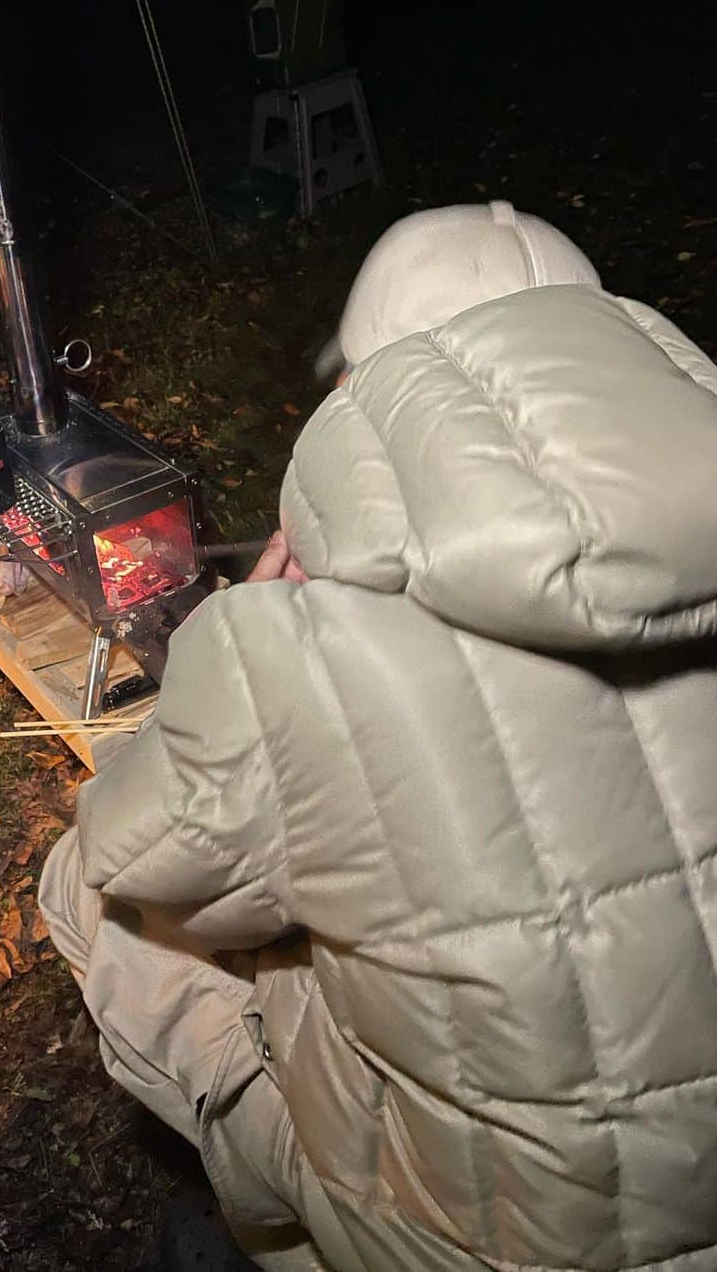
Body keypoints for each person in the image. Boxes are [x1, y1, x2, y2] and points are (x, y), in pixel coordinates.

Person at [40, 202, 717, 1270]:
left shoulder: (302, 656)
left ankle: (289, 1230)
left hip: (484, 1249)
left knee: (86, 891)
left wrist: (239, 633)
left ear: (378, 396)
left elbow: (131, 853)